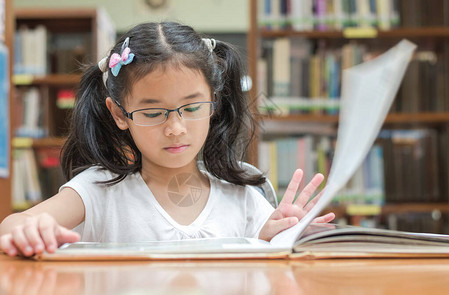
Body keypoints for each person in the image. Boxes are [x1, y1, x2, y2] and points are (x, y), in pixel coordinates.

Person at [0, 22, 334, 257]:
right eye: (152, 112)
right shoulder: (97, 191)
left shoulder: (243, 196)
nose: (175, 128)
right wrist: (26, 230)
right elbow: (13, 225)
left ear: (214, 102)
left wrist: (280, 235)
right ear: (119, 114)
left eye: (191, 108)